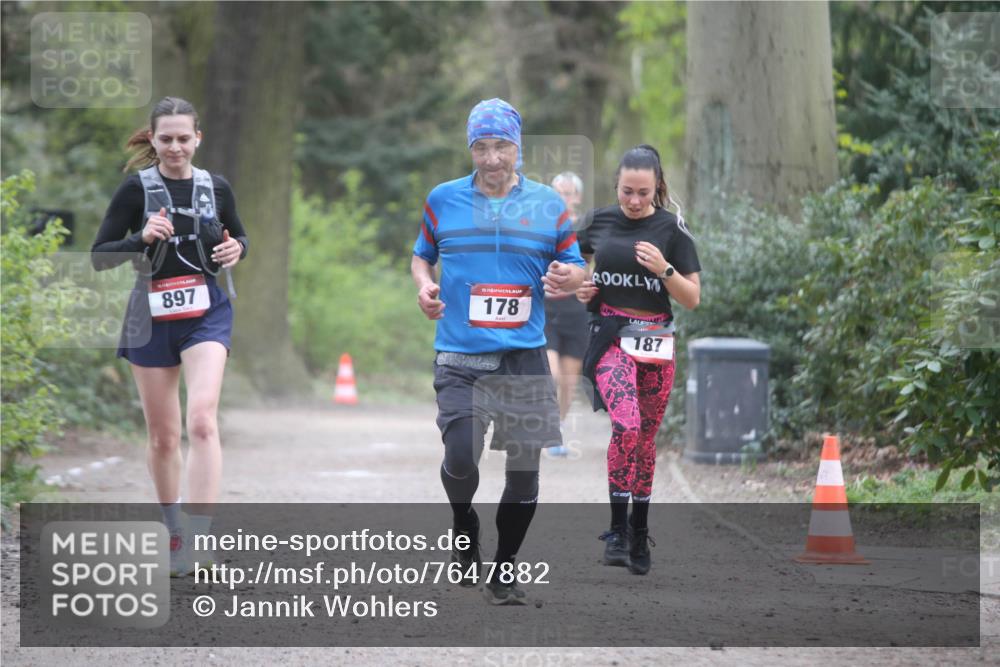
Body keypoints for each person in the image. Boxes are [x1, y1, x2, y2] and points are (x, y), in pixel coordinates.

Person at [411, 98, 586, 605]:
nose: (491, 158)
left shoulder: (549, 206)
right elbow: (422, 257)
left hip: (525, 359)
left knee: (525, 474)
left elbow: (574, 265)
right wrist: (424, 286)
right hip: (460, 358)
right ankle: (463, 522)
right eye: (481, 147)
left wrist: (568, 276)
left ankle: (505, 568)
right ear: (470, 148)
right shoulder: (442, 199)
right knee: (461, 458)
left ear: (519, 147)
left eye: (501, 146)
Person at [91, 96, 248, 577]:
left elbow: (240, 238)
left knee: (201, 420)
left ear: (198, 138)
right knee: (163, 438)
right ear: (153, 140)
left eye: (184, 138)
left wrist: (235, 250)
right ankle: (173, 529)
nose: (175, 148)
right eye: (166, 139)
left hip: (206, 312)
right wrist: (140, 239)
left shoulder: (215, 188)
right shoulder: (134, 191)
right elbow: (100, 256)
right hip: (150, 314)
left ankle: (198, 541)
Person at [577, 144, 700, 575]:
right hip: (611, 336)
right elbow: (572, 264)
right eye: (627, 191)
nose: (633, 201)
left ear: (658, 188)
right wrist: (582, 286)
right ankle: (615, 530)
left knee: (646, 441)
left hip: (657, 344)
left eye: (642, 193)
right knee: (626, 425)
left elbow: (693, 298)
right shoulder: (596, 221)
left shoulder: (673, 229)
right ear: (617, 185)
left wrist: (665, 270)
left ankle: (638, 530)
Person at [543, 172, 591, 457]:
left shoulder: (586, 230)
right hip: (547, 309)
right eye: (558, 192)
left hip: (576, 311)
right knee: (551, 373)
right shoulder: (541, 228)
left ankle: (556, 430)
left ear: (577, 198)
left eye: (568, 193)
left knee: (569, 380)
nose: (563, 197)